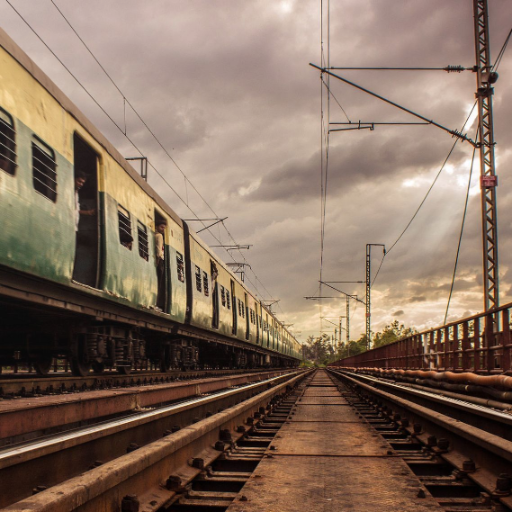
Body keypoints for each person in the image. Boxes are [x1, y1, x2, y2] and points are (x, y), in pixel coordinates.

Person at [155, 219, 167, 310]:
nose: (163, 229)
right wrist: (159, 259)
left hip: (156, 260)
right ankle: (158, 303)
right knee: (160, 283)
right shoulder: (159, 236)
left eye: (164, 228)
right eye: (161, 227)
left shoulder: (153, 235)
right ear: (157, 226)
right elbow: (159, 250)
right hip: (160, 260)